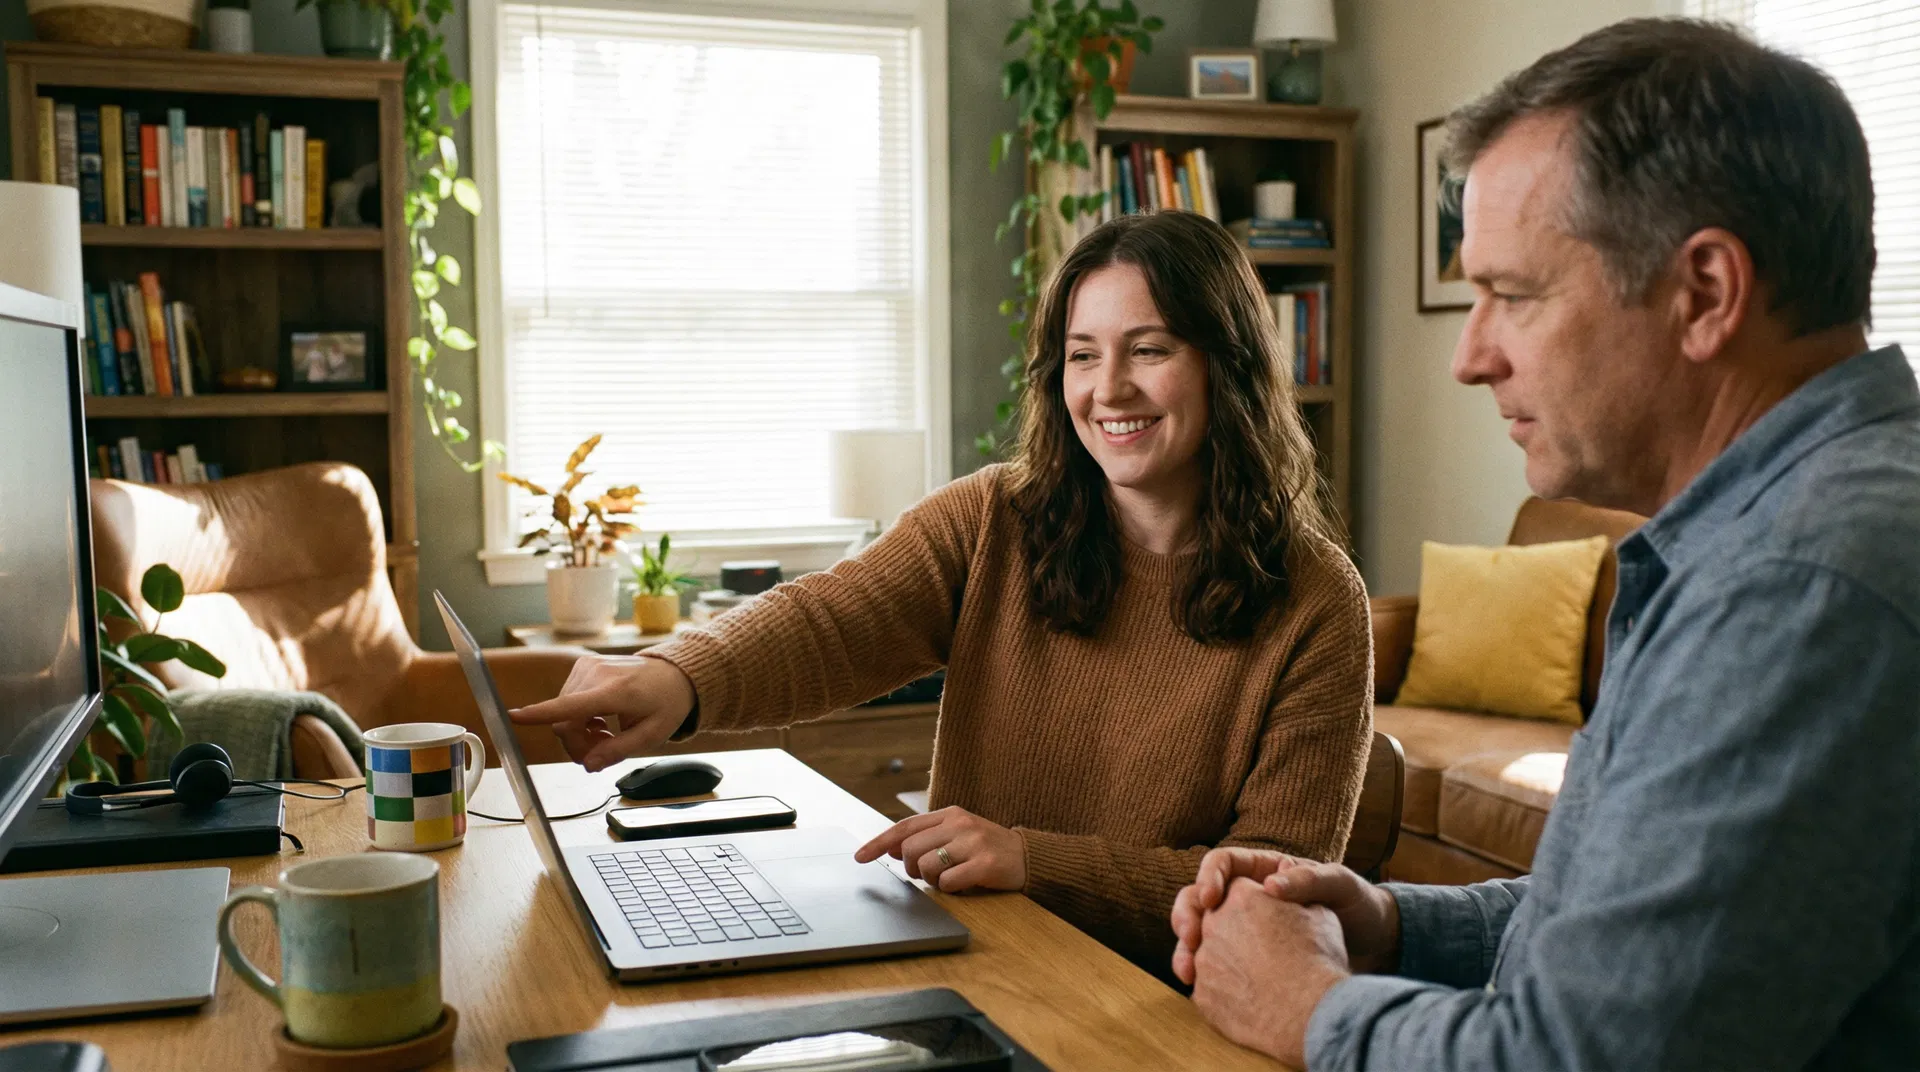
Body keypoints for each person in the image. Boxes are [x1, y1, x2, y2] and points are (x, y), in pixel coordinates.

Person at [1168, 16, 1920, 1070]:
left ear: (1703, 292)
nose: (1468, 358)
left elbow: (1584, 1055)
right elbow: (1647, 916)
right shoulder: (1769, 532)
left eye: (1510, 295)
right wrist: (1390, 923)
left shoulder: (1803, 584)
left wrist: (1310, 1005)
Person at [512, 211, 1375, 970]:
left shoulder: (1318, 601)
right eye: (1082, 355)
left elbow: (1274, 891)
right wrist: (677, 677)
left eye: (1149, 349)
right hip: (971, 958)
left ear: (1229, 364)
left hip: (1157, 1002)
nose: (1109, 388)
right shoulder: (995, 516)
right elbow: (833, 616)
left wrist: (1034, 861)